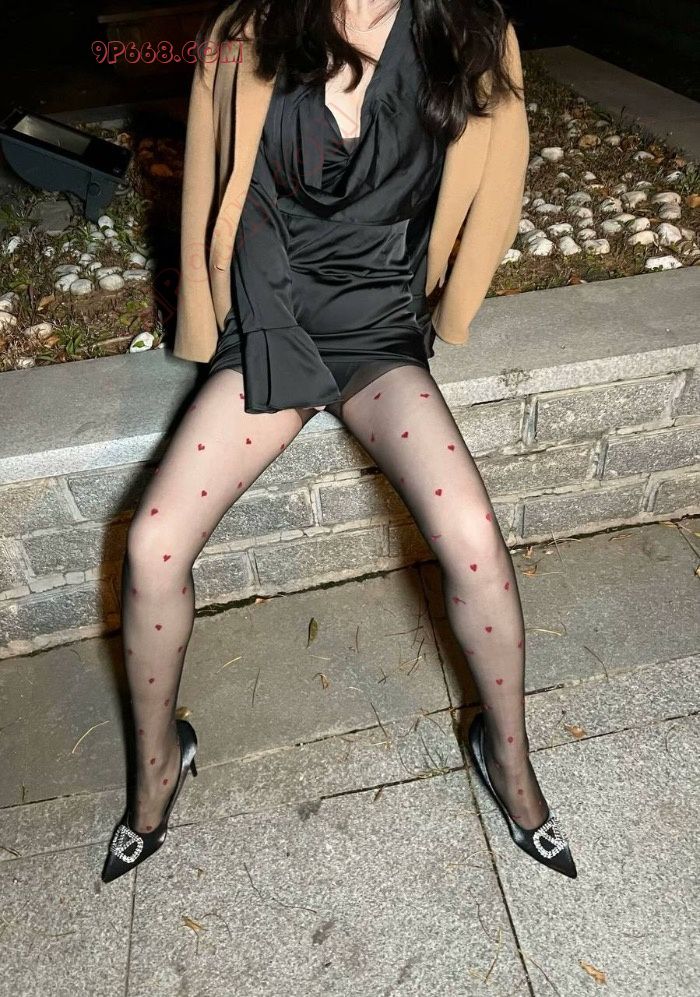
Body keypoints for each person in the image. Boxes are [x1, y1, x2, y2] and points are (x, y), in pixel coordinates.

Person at [102, 0, 578, 883]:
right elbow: (210, 186)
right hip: (272, 317)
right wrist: (216, 325)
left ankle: (508, 759)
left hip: (378, 321)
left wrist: (452, 303)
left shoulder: (472, 31)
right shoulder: (244, 32)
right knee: (152, 544)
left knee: (472, 536)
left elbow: (499, 183)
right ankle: (158, 766)